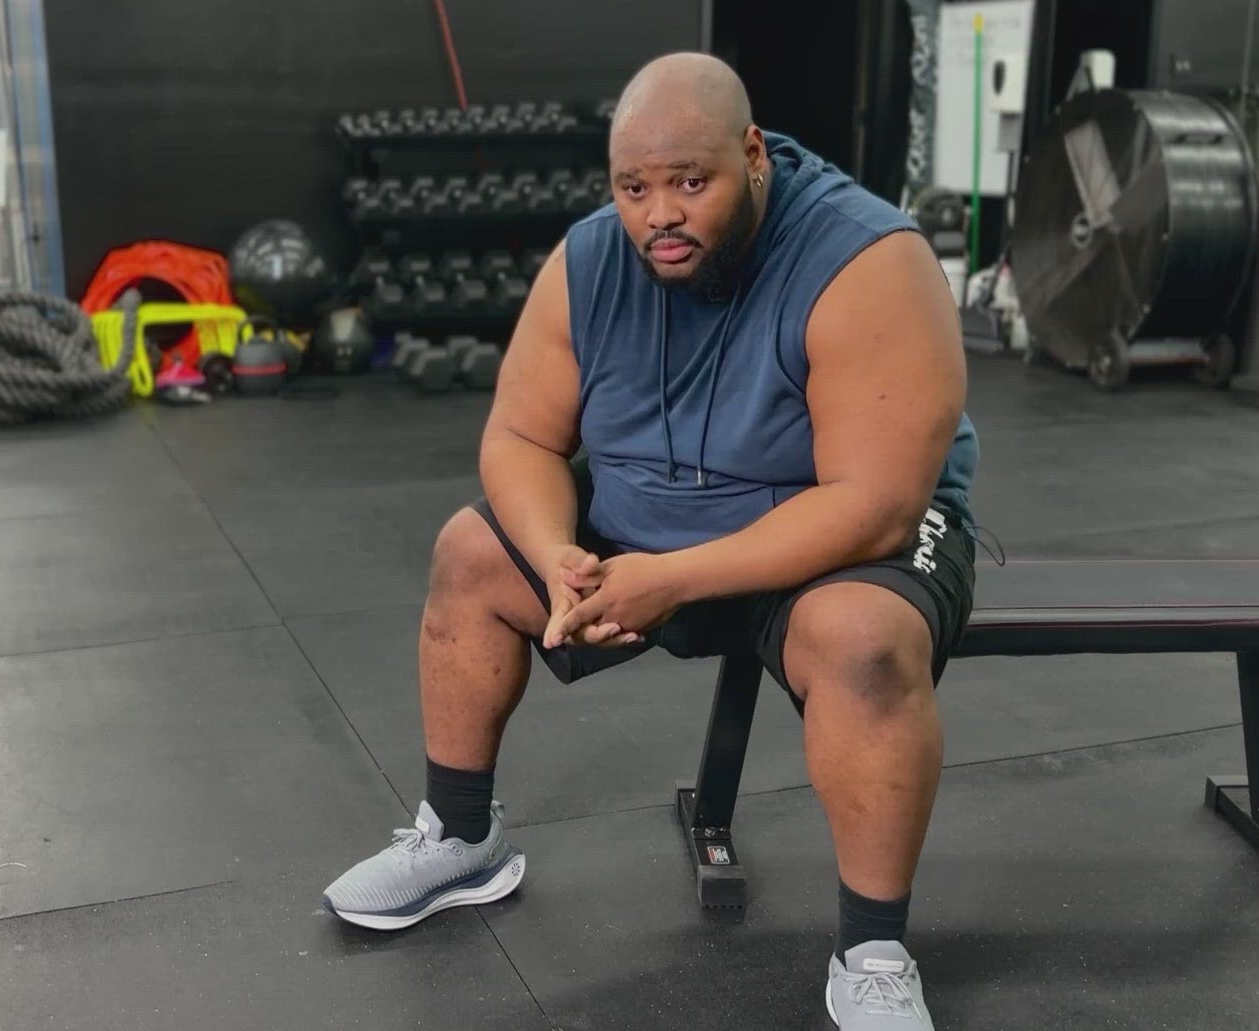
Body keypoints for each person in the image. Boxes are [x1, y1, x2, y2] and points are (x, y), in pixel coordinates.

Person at [323, 52, 979, 1030]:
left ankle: (872, 950)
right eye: (635, 188)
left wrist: (671, 579)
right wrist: (553, 556)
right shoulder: (590, 259)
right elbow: (520, 438)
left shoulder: (866, 258)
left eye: (690, 182)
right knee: (472, 554)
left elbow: (874, 506)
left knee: (863, 642)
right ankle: (461, 839)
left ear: (752, 156)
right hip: (645, 525)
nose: (659, 214)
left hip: (830, 533)